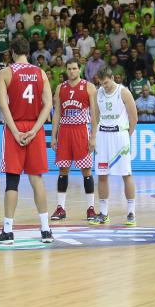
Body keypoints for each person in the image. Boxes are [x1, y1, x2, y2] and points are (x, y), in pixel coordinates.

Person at [0, 37, 53, 245]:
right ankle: (46, 230)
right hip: (35, 130)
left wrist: (16, 132)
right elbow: (48, 105)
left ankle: (8, 231)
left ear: (11, 52)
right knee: (36, 179)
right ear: (28, 52)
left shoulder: (5, 73)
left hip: (15, 129)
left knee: (12, 181)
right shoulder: (41, 73)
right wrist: (36, 130)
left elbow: (4, 106)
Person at [50, 58, 99, 221]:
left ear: (80, 69)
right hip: (64, 131)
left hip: (81, 131)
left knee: (86, 170)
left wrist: (93, 137)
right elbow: (56, 113)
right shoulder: (60, 88)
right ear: (66, 70)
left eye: (74, 68)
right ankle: (60, 208)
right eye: (69, 68)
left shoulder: (89, 87)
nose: (72, 71)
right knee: (63, 170)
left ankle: (91, 209)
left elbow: (94, 115)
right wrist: (54, 136)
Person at [90, 65, 138, 226]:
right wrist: (94, 137)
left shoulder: (123, 92)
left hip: (120, 136)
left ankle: (131, 212)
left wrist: (125, 134)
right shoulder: (98, 93)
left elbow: (134, 118)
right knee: (102, 175)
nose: (104, 86)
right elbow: (95, 118)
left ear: (113, 78)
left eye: (106, 83)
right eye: (102, 83)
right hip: (103, 136)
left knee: (126, 174)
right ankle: (103, 213)